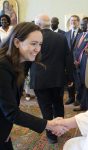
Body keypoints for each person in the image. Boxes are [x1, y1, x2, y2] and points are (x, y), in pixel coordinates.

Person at [0, 22, 67, 150]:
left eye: (40, 44)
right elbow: (11, 112)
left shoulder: (21, 63)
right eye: (33, 44)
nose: (38, 49)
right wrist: (49, 124)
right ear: (17, 43)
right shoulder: (2, 66)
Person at [30, 14, 72, 144]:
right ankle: (61, 128)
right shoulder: (61, 37)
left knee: (45, 107)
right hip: (57, 79)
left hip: (40, 79)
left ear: (38, 24)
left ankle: (51, 135)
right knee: (58, 104)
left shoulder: (33, 38)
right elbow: (68, 58)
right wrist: (70, 78)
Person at [65, 15, 82, 105]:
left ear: (78, 22)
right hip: (68, 62)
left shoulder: (82, 33)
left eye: (75, 20)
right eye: (71, 21)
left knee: (78, 81)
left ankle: (78, 99)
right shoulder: (66, 34)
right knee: (69, 79)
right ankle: (71, 97)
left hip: (78, 62)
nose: (73, 22)